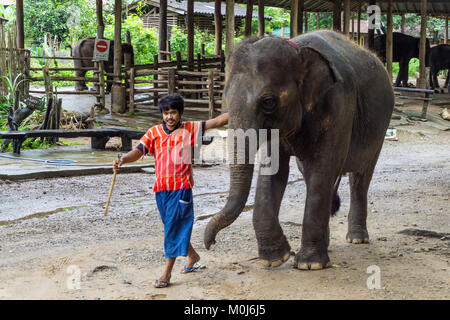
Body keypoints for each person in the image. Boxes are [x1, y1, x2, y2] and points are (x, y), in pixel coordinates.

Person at [113, 93, 228, 288]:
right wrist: (123, 159)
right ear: (162, 114)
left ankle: (166, 273)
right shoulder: (154, 132)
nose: (169, 117)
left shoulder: (190, 129)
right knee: (173, 227)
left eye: (173, 113)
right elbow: (139, 150)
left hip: (181, 188)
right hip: (161, 190)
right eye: (166, 113)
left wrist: (243, 109)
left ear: (180, 114)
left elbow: (216, 121)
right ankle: (192, 256)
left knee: (173, 229)